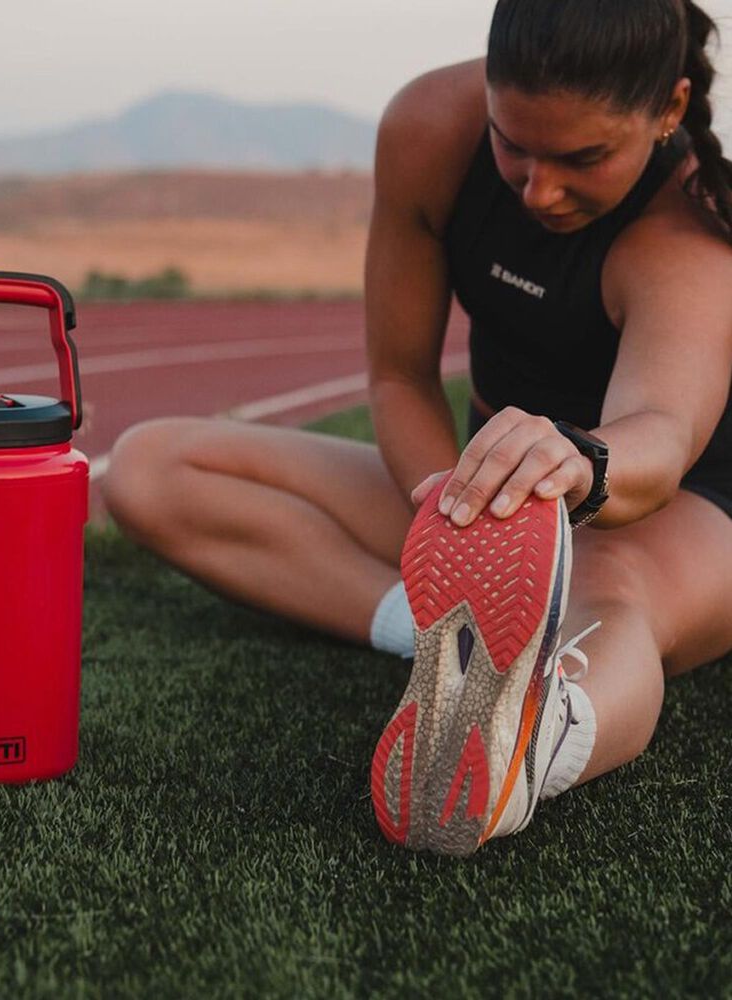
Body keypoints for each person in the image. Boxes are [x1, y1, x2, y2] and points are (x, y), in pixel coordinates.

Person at [102, 0, 732, 854]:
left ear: (667, 110)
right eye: (515, 145)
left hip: (679, 506)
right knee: (150, 468)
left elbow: (659, 436)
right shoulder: (429, 128)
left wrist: (578, 458)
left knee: (611, 594)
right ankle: (446, 646)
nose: (539, 189)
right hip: (480, 483)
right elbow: (399, 376)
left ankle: (532, 741)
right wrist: (450, 515)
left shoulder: (685, 235)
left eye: (583, 158)